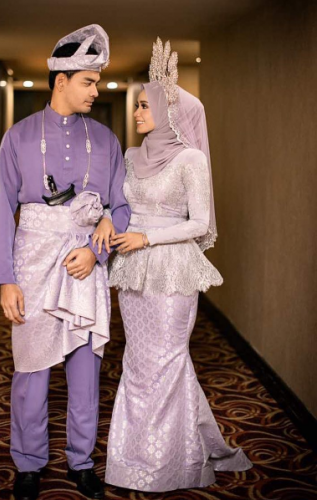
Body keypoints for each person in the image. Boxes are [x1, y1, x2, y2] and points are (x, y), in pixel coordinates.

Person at [95, 38, 252, 493]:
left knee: (166, 360)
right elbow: (118, 204)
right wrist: (105, 217)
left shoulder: (191, 160)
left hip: (172, 270)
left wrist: (148, 237)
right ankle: (132, 459)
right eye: (138, 105)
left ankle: (167, 463)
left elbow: (199, 223)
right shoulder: (131, 156)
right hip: (133, 270)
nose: (137, 112)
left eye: (145, 106)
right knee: (139, 361)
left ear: (169, 112)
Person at [0, 25, 130, 500]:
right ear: (61, 80)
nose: (96, 91)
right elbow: (1, 210)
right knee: (31, 370)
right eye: (89, 81)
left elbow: (121, 207)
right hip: (31, 264)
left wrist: (97, 250)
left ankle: (81, 462)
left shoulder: (106, 140)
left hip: (84, 265)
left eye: (98, 82)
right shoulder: (19, 137)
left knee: (85, 371)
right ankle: (28, 463)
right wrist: (5, 280)